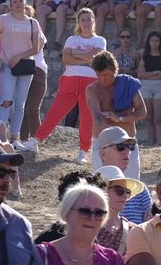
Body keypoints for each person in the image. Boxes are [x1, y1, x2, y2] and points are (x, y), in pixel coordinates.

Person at [35, 9, 107, 163]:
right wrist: (85, 58)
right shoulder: (71, 39)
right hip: (69, 80)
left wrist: (77, 55)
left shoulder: (100, 40)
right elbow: (66, 58)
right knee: (55, 112)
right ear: (78, 22)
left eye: (89, 19)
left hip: (90, 83)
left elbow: (95, 58)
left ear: (94, 21)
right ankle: (35, 141)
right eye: (83, 20)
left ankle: (83, 151)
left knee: (87, 119)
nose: (86, 23)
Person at [0, 0, 44, 141]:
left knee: (20, 104)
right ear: (10, 4)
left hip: (24, 66)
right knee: (6, 101)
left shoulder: (33, 23)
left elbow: (36, 48)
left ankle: (14, 138)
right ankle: (0, 137)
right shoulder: (3, 20)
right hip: (7, 65)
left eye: (20, 0)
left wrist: (18, 57)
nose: (18, 3)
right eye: (14, 1)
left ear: (25, 2)